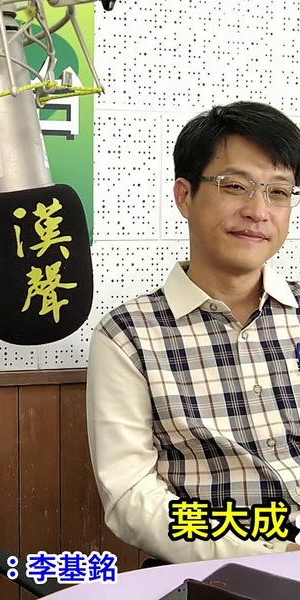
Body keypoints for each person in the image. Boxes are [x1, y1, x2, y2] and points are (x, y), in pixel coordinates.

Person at [87, 100, 300, 564]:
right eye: (235, 186)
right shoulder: (128, 335)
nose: (258, 211)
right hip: (222, 573)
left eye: (279, 192)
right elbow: (131, 496)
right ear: (184, 196)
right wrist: (274, 553)